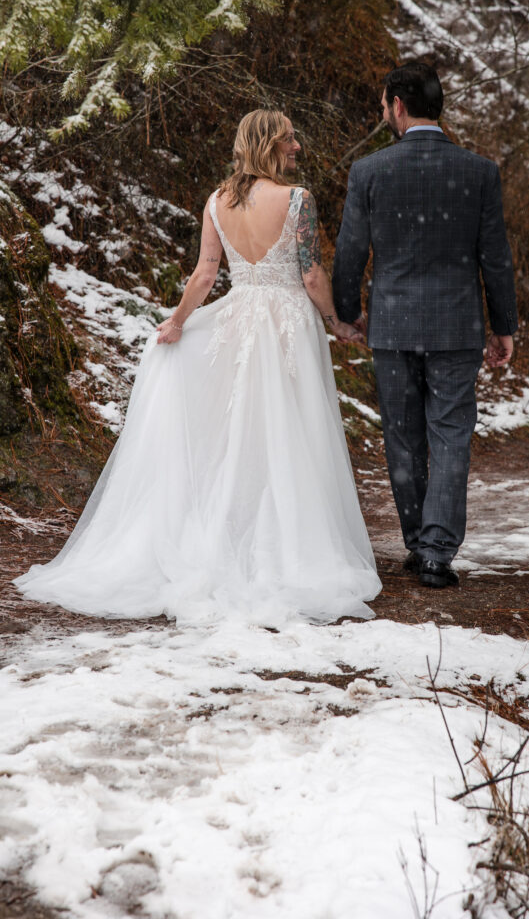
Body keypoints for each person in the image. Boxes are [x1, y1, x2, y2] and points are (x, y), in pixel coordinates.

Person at [15, 110, 380, 625]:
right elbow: (312, 272)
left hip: (238, 321)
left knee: (240, 431)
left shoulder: (217, 201)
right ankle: (285, 543)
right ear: (270, 144)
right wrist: (337, 321)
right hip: (286, 323)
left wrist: (179, 322)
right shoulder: (296, 199)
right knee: (290, 426)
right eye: (290, 138)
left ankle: (238, 532)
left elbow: (207, 273)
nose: (298, 146)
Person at [332, 62, 518, 590]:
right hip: (458, 326)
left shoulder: (370, 171)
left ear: (396, 105)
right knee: (452, 434)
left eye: (383, 103)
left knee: (404, 438)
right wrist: (503, 325)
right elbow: (495, 257)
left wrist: (347, 314)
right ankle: (437, 552)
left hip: (392, 326)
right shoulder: (478, 171)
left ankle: (419, 541)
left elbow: (350, 251)